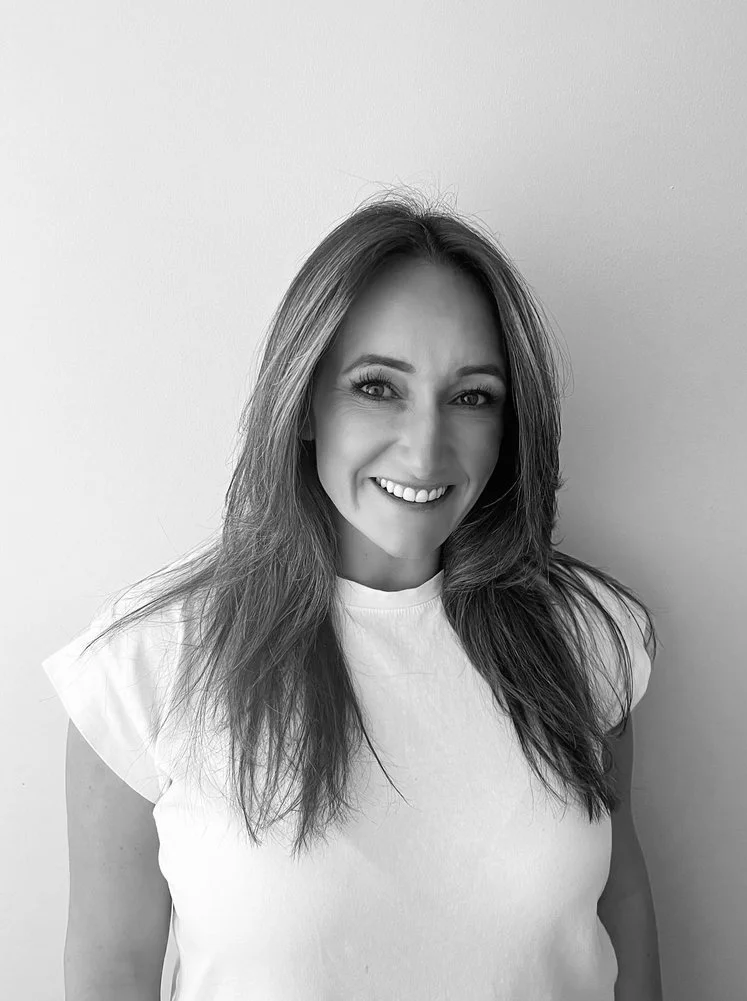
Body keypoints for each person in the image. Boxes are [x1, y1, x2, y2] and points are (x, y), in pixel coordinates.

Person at [42, 188, 661, 1000]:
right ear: (304, 403)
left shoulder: (585, 637)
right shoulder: (143, 668)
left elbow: (620, 903)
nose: (425, 448)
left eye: (472, 396)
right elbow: (113, 968)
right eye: (378, 386)